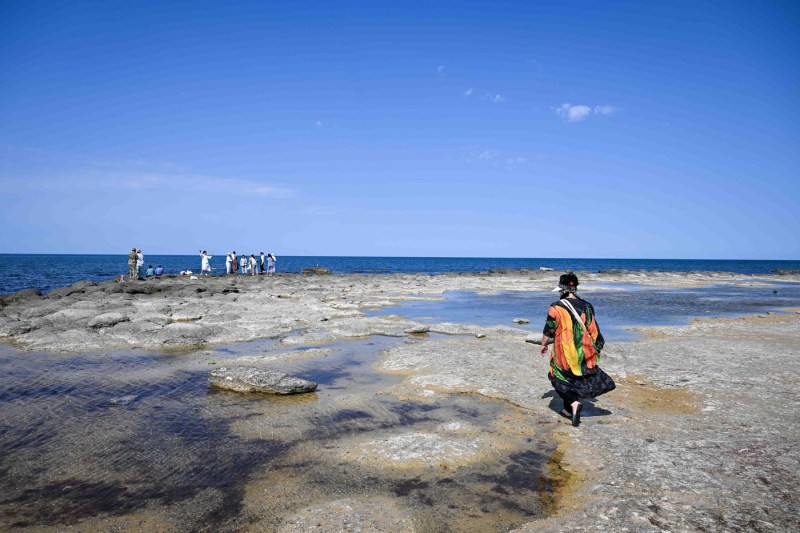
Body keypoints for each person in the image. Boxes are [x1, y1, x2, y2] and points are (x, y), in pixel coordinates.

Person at [540, 272, 614, 427]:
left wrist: (544, 344)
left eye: (560, 290)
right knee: (575, 378)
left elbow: (549, 329)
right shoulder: (587, 306)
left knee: (557, 376)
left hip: (565, 352)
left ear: (563, 290)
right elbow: (593, 329)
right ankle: (569, 411)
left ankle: (573, 403)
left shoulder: (556, 307)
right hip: (585, 350)